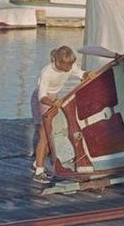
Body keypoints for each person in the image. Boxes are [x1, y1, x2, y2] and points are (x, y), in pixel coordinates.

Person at [30, 46, 85, 183]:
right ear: (58, 62)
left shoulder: (69, 65)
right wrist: (54, 103)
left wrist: (88, 74)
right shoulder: (47, 72)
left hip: (54, 98)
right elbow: (41, 96)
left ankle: (37, 163)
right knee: (45, 136)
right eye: (67, 65)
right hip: (42, 100)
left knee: (51, 135)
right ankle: (38, 172)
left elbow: (80, 73)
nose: (70, 68)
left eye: (71, 64)